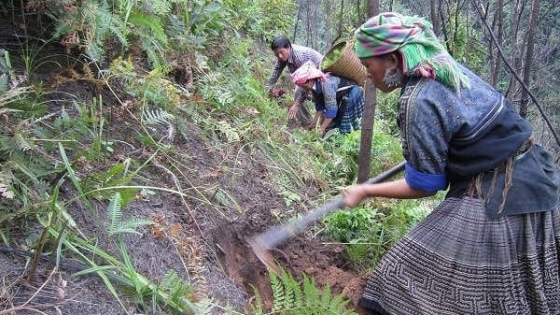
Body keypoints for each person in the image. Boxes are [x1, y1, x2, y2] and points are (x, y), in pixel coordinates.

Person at [341, 12, 560, 315]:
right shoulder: (446, 69)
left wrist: (365, 191)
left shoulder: (419, 99)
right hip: (538, 174)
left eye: (368, 65)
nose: (366, 74)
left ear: (392, 60)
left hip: (500, 191)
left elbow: (426, 184)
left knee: (397, 276)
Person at [290, 60, 364, 137]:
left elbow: (331, 111)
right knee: (331, 123)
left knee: (348, 124)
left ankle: (355, 140)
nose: (305, 89)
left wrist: (321, 129)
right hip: (340, 96)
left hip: (352, 94)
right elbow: (320, 109)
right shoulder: (314, 88)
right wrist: (311, 126)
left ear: (310, 80)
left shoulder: (327, 85)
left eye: (305, 86)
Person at [265, 35, 323, 126]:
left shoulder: (299, 57)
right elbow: (276, 72)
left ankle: (322, 126)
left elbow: (306, 82)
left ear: (288, 47)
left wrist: (296, 104)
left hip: (322, 75)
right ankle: (308, 122)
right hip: (308, 78)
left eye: (281, 52)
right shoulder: (283, 57)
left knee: (319, 97)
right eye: (276, 54)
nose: (279, 56)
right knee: (299, 92)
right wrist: (266, 90)